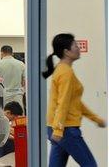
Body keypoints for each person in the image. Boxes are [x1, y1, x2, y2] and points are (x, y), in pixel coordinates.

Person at [44, 33, 104, 167]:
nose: (78, 48)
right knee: (90, 165)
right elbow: (63, 103)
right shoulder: (66, 73)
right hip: (66, 129)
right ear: (66, 52)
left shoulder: (61, 69)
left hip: (56, 126)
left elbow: (74, 103)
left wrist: (96, 119)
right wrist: (59, 130)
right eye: (75, 45)